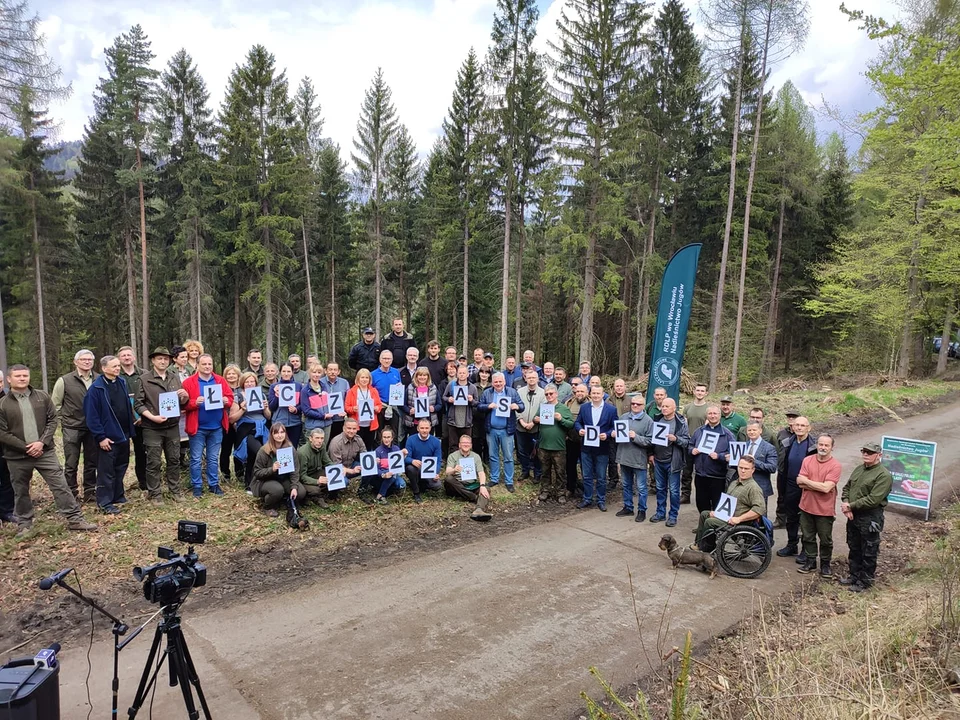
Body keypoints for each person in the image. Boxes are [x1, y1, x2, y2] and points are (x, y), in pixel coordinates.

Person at [0, 364, 97, 537]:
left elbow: (53, 420)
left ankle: (75, 519)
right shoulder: (3, 404)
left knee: (60, 485)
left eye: (25, 375)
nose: (22, 378)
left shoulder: (42, 396)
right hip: (17, 456)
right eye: (18, 376)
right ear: (9, 379)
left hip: (45, 452)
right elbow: (2, 432)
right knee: (20, 491)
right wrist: (25, 447)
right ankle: (25, 525)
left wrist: (41, 443)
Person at [83, 355, 136, 514]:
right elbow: (92, 416)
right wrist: (100, 437)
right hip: (107, 437)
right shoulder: (96, 389)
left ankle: (117, 495)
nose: (117, 369)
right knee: (106, 471)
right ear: (104, 368)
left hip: (123, 434)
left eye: (118, 366)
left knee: (121, 466)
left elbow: (126, 406)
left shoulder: (121, 382)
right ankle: (105, 502)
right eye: (114, 366)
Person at [136, 347, 189, 504]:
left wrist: (185, 396)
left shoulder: (174, 378)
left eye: (166, 359)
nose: (163, 361)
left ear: (170, 360)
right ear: (153, 360)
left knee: (174, 459)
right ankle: (155, 494)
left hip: (172, 426)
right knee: (154, 461)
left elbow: (182, 401)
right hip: (152, 427)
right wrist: (152, 417)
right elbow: (138, 404)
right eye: (159, 358)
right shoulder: (144, 379)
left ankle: (175, 491)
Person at [840, 442, 893, 592]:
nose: (865, 454)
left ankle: (865, 581)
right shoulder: (859, 469)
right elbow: (847, 488)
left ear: (879, 455)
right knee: (854, 546)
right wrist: (846, 504)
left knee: (868, 550)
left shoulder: (884, 475)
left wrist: (851, 506)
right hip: (854, 515)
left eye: (869, 453)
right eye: (864, 451)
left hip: (870, 517)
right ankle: (854, 575)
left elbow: (873, 499)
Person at [182, 354, 234, 497]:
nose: (207, 367)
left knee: (212, 458)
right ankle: (197, 486)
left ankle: (213, 484)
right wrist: (194, 403)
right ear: (197, 365)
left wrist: (225, 400)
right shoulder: (188, 382)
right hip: (197, 427)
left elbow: (230, 398)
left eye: (209, 364)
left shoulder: (220, 381)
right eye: (204, 364)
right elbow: (182, 404)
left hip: (216, 426)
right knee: (196, 458)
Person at [51, 349, 99, 503]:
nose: (87, 362)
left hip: (93, 428)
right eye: (83, 359)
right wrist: (64, 421)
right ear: (76, 362)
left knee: (92, 461)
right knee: (71, 462)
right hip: (72, 427)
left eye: (89, 360)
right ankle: (71, 493)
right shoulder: (64, 380)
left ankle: (90, 491)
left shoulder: (99, 379)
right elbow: (55, 405)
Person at [693, 455, 766, 552]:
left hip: (739, 521)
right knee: (704, 514)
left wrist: (739, 519)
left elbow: (759, 510)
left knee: (710, 522)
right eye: (741, 468)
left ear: (753, 470)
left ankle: (706, 549)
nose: (743, 471)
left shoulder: (753, 488)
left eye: (746, 468)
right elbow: (726, 503)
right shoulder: (734, 483)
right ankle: (698, 544)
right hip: (727, 515)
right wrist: (717, 512)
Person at [796, 434, 842, 577]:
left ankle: (825, 565)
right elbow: (799, 482)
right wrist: (818, 485)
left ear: (832, 448)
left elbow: (826, 488)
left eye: (826, 445)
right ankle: (810, 562)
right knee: (807, 537)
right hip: (806, 506)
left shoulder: (835, 465)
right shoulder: (807, 460)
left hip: (824, 510)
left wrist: (807, 482)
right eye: (820, 444)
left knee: (825, 539)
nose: (823, 447)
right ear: (817, 445)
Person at [776, 416, 818, 557]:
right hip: (790, 485)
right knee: (791, 517)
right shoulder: (788, 442)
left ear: (809, 428)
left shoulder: (814, 446)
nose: (799, 428)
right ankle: (791, 545)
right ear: (793, 427)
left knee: (806, 519)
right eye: (797, 425)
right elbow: (783, 465)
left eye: (802, 425)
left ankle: (806, 549)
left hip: (807, 487)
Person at [479, 372, 524, 492]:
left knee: (508, 456)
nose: (498, 384)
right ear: (492, 383)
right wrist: (488, 406)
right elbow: (479, 406)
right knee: (493, 455)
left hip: (506, 430)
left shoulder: (512, 392)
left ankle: (509, 481)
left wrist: (516, 406)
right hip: (491, 430)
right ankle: (494, 478)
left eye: (500, 381)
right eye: (496, 382)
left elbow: (522, 406)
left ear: (504, 382)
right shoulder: (487, 392)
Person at [574, 385, 618, 511]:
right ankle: (587, 498)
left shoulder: (611, 410)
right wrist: (580, 430)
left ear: (603, 394)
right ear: (590, 394)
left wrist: (608, 434)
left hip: (602, 447)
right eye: (593, 393)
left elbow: (615, 426)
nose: (596, 396)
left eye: (598, 393)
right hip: (586, 447)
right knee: (586, 475)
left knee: (601, 476)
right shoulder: (584, 408)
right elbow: (578, 422)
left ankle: (601, 499)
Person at [689, 406, 736, 515]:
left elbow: (733, 453)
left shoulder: (727, 434)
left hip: (717, 476)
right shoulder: (699, 431)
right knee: (701, 502)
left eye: (715, 413)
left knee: (717, 503)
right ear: (707, 415)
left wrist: (719, 456)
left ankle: (715, 527)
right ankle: (704, 525)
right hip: (700, 475)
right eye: (710, 414)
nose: (712, 416)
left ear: (720, 416)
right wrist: (692, 450)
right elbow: (690, 445)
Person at [230, 371, 271, 493]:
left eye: (252, 381)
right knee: (260, 452)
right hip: (247, 431)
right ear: (243, 383)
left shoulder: (262, 395)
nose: (249, 384)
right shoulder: (238, 396)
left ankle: (251, 484)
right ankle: (255, 481)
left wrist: (265, 408)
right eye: (247, 381)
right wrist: (242, 409)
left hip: (262, 429)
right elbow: (231, 419)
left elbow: (268, 416)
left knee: (253, 457)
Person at [650, 398, 689, 528]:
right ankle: (660, 513)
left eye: (667, 406)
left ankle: (673, 515)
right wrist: (651, 454)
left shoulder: (681, 423)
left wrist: (676, 438)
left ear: (674, 408)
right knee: (660, 488)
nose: (664, 408)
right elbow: (651, 439)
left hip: (673, 461)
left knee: (673, 491)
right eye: (662, 406)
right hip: (658, 460)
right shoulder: (657, 419)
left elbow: (686, 442)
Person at [251, 423, 305, 518]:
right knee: (277, 490)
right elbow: (257, 472)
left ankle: (285, 501)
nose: (280, 435)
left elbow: (295, 470)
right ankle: (267, 506)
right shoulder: (264, 450)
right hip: (265, 480)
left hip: (283, 478)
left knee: (300, 492)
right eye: (276, 433)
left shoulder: (290, 448)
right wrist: (271, 469)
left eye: (282, 432)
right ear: (272, 435)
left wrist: (294, 487)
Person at [616, 394, 652, 521]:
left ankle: (642, 510)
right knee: (626, 484)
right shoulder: (623, 417)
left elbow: (650, 441)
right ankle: (628, 507)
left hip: (639, 459)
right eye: (633, 404)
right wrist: (614, 434)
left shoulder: (648, 421)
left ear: (643, 406)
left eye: (638, 404)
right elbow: (617, 436)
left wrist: (635, 436)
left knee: (641, 487)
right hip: (624, 456)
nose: (635, 406)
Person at [535, 384, 573, 504]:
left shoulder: (563, 408)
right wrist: (537, 419)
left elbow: (570, 425)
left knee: (560, 471)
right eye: (547, 394)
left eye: (551, 393)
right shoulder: (543, 407)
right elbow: (535, 418)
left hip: (558, 446)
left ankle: (561, 493)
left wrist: (561, 419)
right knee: (545, 470)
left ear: (556, 394)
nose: (549, 396)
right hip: (544, 445)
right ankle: (545, 491)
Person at [117, 346, 147, 493]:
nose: (127, 358)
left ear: (134, 357)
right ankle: (117, 486)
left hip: (142, 421)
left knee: (142, 452)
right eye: (123, 356)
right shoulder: (115, 375)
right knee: (121, 454)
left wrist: (143, 415)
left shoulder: (144, 374)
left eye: (129, 355)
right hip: (121, 422)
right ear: (119, 359)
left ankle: (144, 483)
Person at [444, 433, 492, 520]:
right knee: (448, 479)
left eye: (468, 443)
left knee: (486, 488)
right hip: (457, 484)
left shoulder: (476, 456)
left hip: (471, 484)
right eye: (463, 443)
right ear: (459, 445)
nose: (466, 444)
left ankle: (479, 510)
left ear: (471, 445)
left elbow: (481, 473)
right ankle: (474, 498)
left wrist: (482, 486)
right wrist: (454, 470)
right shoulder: (453, 456)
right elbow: (447, 472)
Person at [737, 421, 778, 513]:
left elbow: (772, 468)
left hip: (760, 487)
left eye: (754, 430)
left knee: (761, 516)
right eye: (749, 430)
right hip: (743, 486)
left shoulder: (769, 448)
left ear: (760, 431)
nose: (751, 432)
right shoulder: (743, 446)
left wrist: (755, 462)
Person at [681, 383, 709, 504]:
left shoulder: (708, 409)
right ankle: (685, 495)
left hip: (702, 445)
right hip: (688, 443)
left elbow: (708, 427)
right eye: (698, 390)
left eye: (702, 391)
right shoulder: (687, 407)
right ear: (694, 391)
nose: (700, 393)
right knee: (686, 471)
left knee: (701, 472)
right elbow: (684, 425)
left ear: (706, 393)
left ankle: (702, 495)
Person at [516, 369, 545, 483]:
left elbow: (543, 409)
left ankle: (537, 473)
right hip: (521, 427)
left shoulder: (543, 393)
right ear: (525, 379)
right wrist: (522, 422)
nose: (531, 379)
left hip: (536, 428)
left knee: (536, 452)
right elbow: (516, 407)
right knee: (522, 451)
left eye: (533, 377)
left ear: (537, 379)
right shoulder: (519, 391)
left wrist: (533, 423)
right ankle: (525, 471)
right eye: (529, 378)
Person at [404, 417, 443, 503]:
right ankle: (416, 493)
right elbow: (406, 458)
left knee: (437, 486)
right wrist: (412, 461)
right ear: (418, 429)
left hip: (428, 470)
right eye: (422, 428)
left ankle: (420, 484)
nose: (424, 430)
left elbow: (438, 460)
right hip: (415, 468)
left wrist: (435, 473)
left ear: (430, 428)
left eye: (426, 428)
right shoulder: (410, 440)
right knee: (410, 468)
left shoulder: (436, 441)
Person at [442, 365, 478, 454]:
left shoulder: (472, 387)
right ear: (457, 374)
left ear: (467, 374)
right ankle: (452, 463)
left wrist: (471, 400)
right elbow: (444, 397)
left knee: (466, 444)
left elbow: (477, 403)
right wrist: (449, 399)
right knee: (453, 444)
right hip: (453, 420)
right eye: (460, 373)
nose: (462, 375)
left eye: (464, 373)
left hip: (467, 422)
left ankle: (465, 463)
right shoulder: (451, 384)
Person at [327, 418, 366, 497]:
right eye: (349, 428)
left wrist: (371, 461)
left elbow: (364, 454)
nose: (351, 431)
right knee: (344, 482)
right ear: (343, 428)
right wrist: (351, 471)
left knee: (368, 468)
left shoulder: (358, 439)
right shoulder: (336, 442)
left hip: (350, 465)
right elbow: (335, 465)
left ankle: (362, 490)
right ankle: (332, 494)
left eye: (354, 429)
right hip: (335, 470)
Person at [774, 410, 800, 527]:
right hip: (782, 471)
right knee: (781, 497)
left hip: (796, 473)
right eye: (789, 417)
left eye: (793, 417)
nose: (791, 419)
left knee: (797, 498)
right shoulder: (781, 433)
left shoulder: (801, 434)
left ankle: (797, 522)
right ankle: (780, 519)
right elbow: (776, 449)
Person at [268, 363, 303, 448]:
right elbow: (272, 407)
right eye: (284, 371)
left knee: (292, 448)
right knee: (278, 448)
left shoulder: (298, 386)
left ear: (292, 373)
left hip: (295, 423)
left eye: (288, 371)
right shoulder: (274, 386)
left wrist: (296, 409)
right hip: (279, 422)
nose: (286, 374)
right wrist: (277, 396)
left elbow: (303, 405)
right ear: (280, 372)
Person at [219, 364, 244, 484]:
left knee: (239, 448)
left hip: (241, 422)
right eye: (229, 373)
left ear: (238, 375)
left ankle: (240, 474)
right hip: (225, 423)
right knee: (226, 449)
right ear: (225, 376)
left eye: (234, 373)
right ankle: (225, 474)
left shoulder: (243, 388)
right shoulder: (221, 388)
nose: (231, 376)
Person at [564, 381, 589, 497]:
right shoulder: (568, 403)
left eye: (582, 391)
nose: (579, 393)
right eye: (577, 391)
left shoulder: (592, 403)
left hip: (587, 441)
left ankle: (587, 489)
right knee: (570, 465)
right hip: (571, 439)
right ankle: (571, 487)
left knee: (586, 466)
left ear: (587, 393)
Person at [297, 426, 332, 508]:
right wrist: (317, 482)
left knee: (331, 475)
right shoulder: (303, 453)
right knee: (316, 489)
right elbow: (302, 476)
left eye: (322, 438)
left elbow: (327, 462)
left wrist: (338, 469)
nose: (319, 441)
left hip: (315, 472)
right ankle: (314, 497)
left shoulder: (322, 446)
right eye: (317, 438)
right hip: (303, 478)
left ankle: (323, 495)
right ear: (310, 439)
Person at [371, 350, 401, 439]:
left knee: (394, 433)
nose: (386, 361)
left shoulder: (396, 372)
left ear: (392, 360)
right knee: (380, 434)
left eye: (388, 358)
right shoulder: (373, 374)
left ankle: (394, 452)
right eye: (384, 358)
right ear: (380, 360)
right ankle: (380, 452)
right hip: (380, 407)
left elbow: (399, 388)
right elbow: (370, 391)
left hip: (393, 406)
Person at [403, 367, 439, 441]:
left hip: (429, 422)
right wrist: (409, 410)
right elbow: (403, 404)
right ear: (416, 376)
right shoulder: (410, 387)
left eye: (424, 375)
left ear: (428, 377)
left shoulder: (433, 388)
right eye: (420, 375)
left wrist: (434, 408)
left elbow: (439, 404)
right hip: (414, 423)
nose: (422, 377)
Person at [372, 427, 405, 504]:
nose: (386, 439)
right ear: (381, 438)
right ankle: (380, 495)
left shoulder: (396, 449)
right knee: (391, 474)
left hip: (393, 475)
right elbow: (375, 469)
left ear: (392, 438)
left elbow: (399, 467)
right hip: (381, 475)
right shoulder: (378, 451)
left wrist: (404, 456)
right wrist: (383, 474)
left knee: (401, 484)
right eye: (384, 437)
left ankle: (385, 490)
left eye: (388, 437)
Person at [319, 361, 350, 441]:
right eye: (330, 369)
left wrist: (346, 411)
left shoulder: (344, 383)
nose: (332, 372)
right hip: (324, 419)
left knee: (338, 443)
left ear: (339, 371)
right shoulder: (319, 382)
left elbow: (348, 400)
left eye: (335, 370)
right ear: (325, 371)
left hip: (339, 419)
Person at [0, 370, 15, 525]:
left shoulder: (8, 398)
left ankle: (7, 511)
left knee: (7, 479)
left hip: (6, 446)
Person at [471, 366, 493, 462]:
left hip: (488, 417)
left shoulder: (492, 387)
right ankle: (477, 460)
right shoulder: (473, 386)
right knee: (476, 440)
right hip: (475, 417)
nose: (484, 374)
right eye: (482, 372)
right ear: (479, 374)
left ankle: (486, 461)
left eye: (486, 372)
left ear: (489, 375)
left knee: (487, 440)